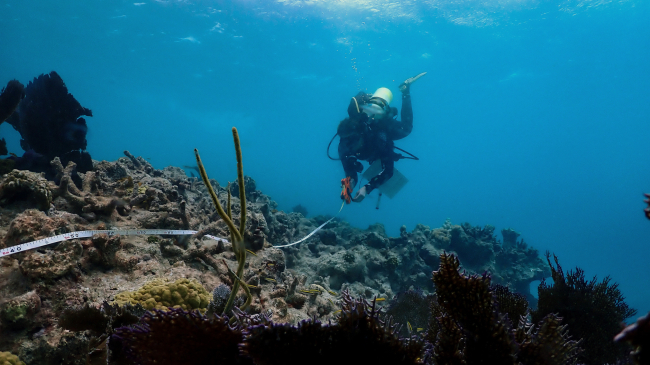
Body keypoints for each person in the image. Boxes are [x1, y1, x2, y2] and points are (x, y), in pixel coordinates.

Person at [336, 73, 425, 203]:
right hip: (370, 140)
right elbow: (349, 170)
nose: (350, 147)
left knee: (405, 130)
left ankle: (405, 92)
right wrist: (349, 184)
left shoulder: (380, 138)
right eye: (348, 143)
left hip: (380, 131)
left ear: (360, 135)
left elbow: (388, 171)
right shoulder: (344, 144)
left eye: (353, 142)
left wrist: (367, 188)